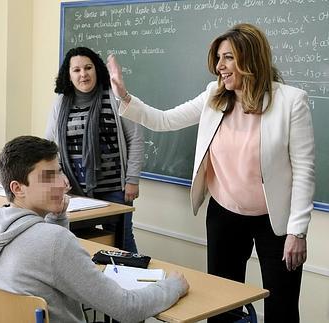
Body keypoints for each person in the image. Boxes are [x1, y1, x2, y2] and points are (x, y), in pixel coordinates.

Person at [107, 23, 314, 322]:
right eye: (218, 59)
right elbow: (164, 120)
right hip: (225, 214)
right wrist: (124, 97)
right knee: (221, 304)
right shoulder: (213, 96)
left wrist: (298, 231)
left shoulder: (291, 101)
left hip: (275, 221)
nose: (219, 67)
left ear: (250, 57)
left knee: (281, 305)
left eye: (228, 58)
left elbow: (305, 170)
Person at [0, 135, 189, 323]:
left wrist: (58, 217)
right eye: (48, 177)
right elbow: (127, 309)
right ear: (17, 188)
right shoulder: (54, 243)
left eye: (59, 173)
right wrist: (172, 287)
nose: (62, 184)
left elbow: (48, 260)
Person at [45, 46, 144, 253]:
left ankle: (132, 279)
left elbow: (135, 138)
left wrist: (132, 179)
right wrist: (58, 175)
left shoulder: (115, 96)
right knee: (76, 242)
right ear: (69, 75)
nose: (83, 74)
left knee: (122, 240)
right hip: (73, 189)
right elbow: (49, 145)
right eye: (77, 70)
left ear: (97, 69)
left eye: (88, 68)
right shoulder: (61, 102)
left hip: (115, 188)